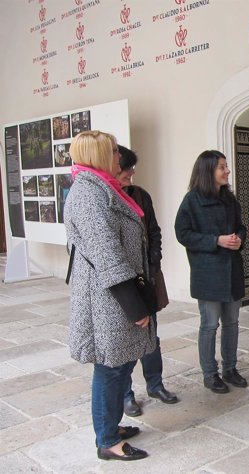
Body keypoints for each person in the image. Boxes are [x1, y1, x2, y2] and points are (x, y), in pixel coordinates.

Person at [64, 131, 155, 461]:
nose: (120, 157)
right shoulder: (89, 194)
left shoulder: (102, 187)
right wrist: (135, 306)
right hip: (108, 299)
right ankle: (107, 440)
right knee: (110, 368)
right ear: (100, 154)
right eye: (114, 151)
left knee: (121, 364)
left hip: (114, 296)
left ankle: (111, 425)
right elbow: (106, 254)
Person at [175, 150, 248, 394]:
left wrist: (239, 238)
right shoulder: (192, 200)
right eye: (222, 167)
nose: (227, 170)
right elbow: (182, 234)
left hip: (232, 271)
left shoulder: (230, 199)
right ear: (208, 171)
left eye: (226, 166)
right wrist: (215, 240)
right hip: (208, 274)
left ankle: (230, 369)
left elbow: (241, 227)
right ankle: (210, 374)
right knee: (209, 325)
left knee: (232, 323)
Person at [116, 145, 179, 416]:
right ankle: (126, 395)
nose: (131, 173)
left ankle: (155, 384)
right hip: (122, 281)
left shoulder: (140, 195)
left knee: (151, 333)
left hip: (146, 277)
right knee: (127, 338)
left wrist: (153, 262)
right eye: (127, 167)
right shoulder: (106, 199)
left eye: (132, 168)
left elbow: (154, 231)